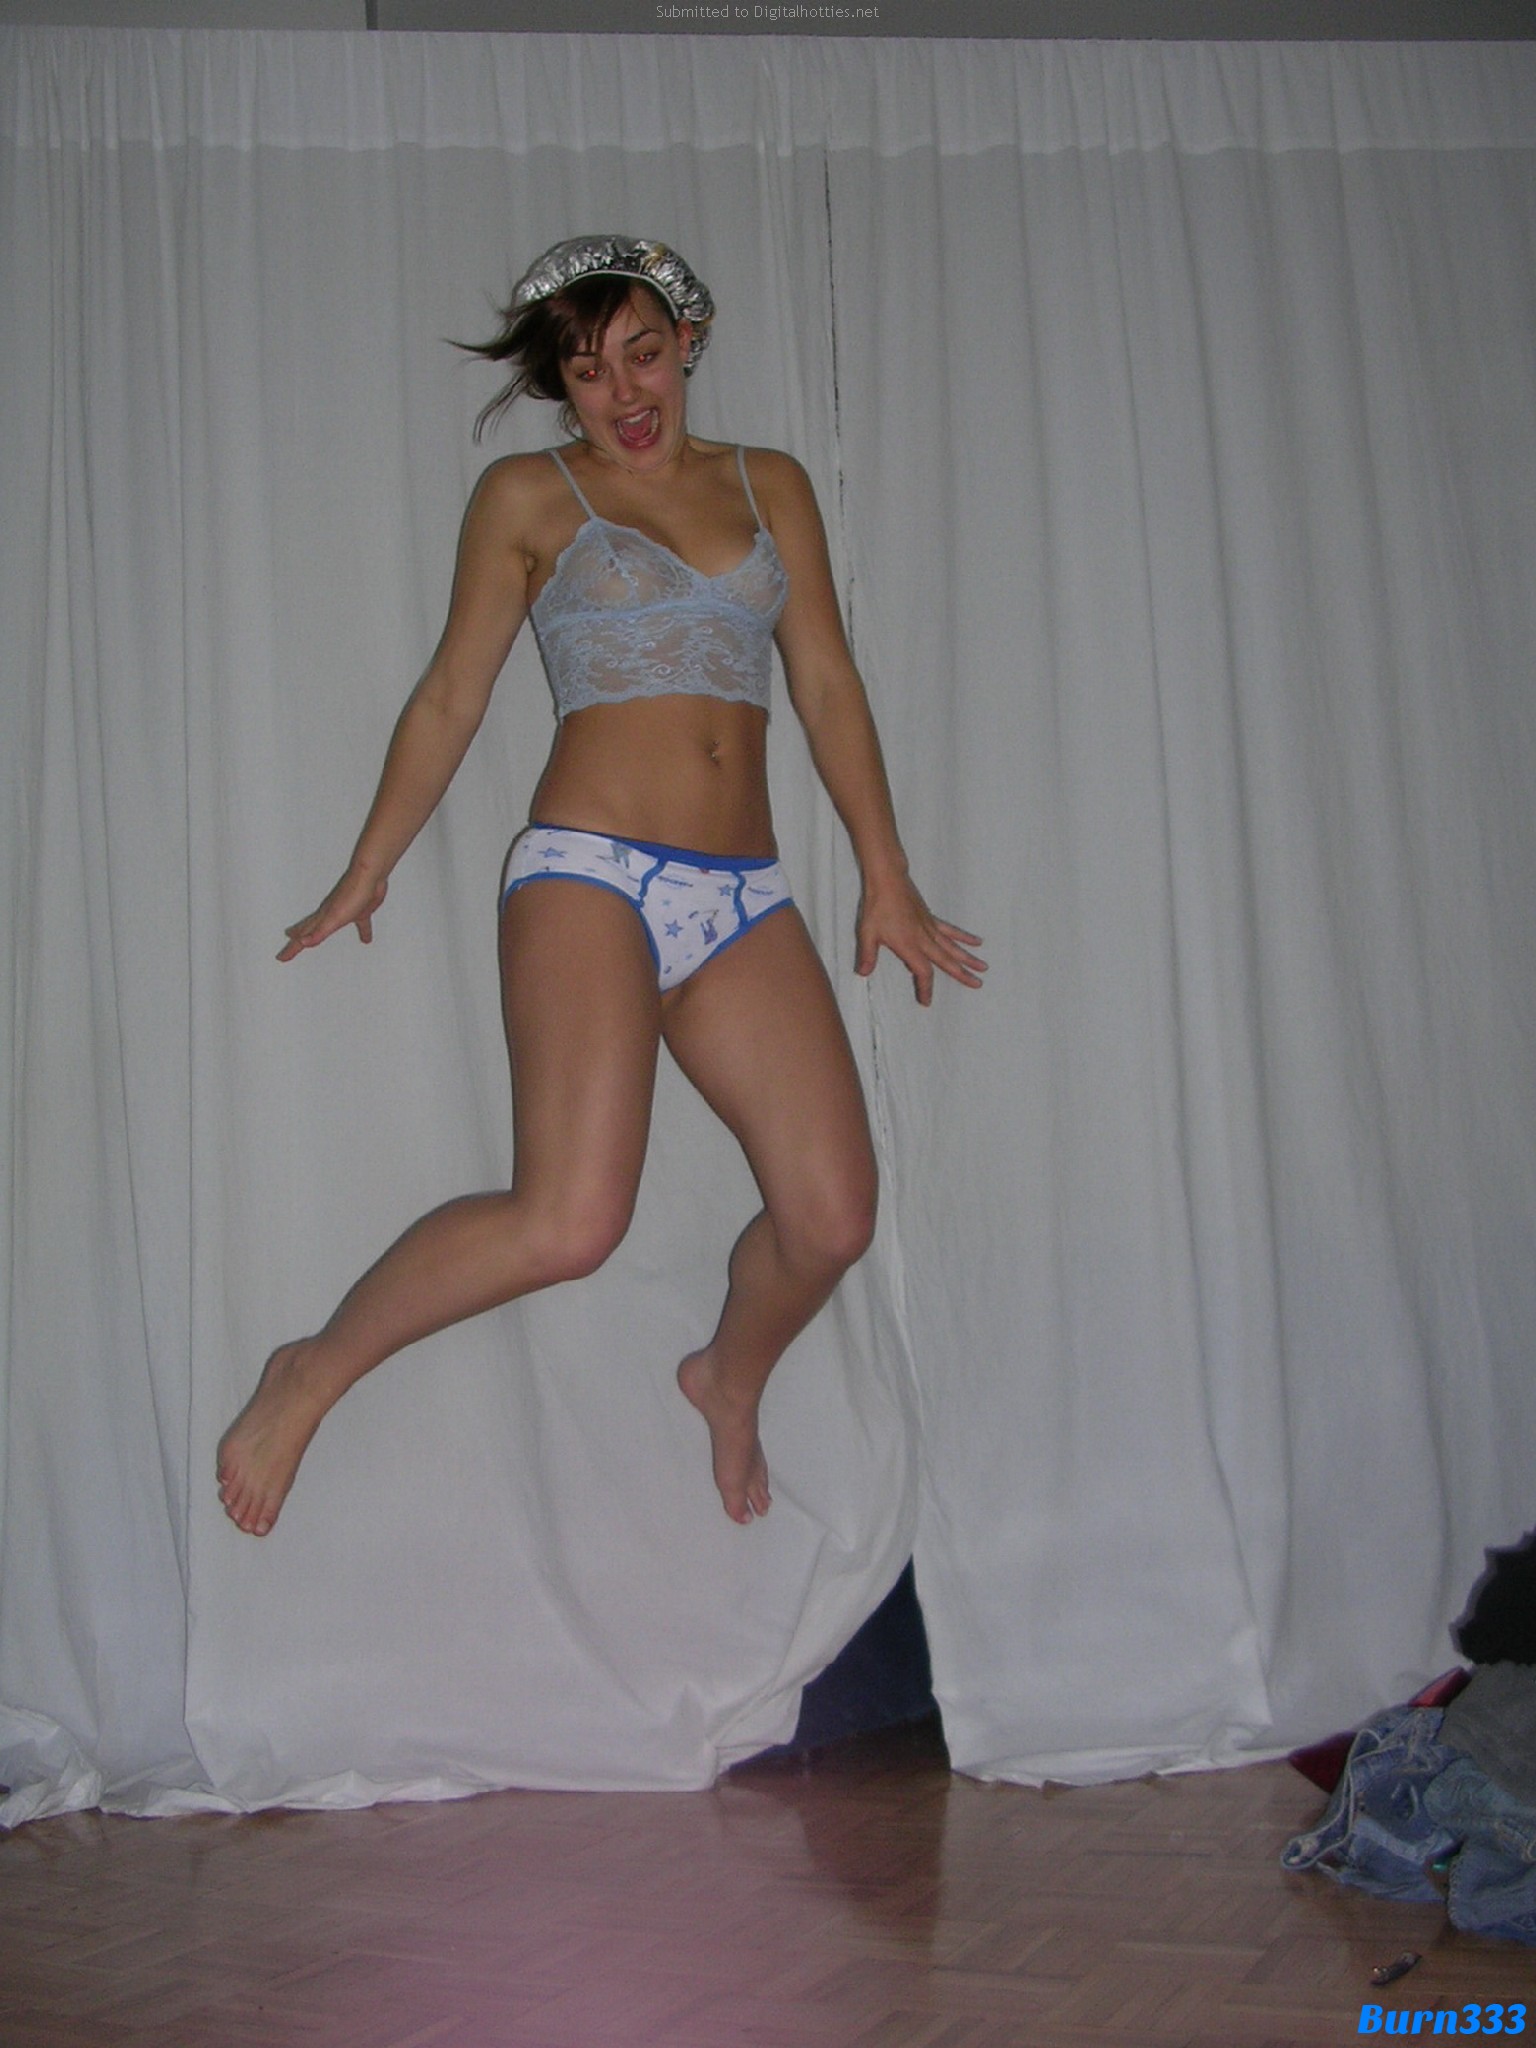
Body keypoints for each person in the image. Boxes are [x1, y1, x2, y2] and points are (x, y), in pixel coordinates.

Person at [216, 235, 985, 1538]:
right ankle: (313, 1369)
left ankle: (727, 1376)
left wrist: (886, 875)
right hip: (590, 872)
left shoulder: (771, 484)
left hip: (740, 895)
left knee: (832, 1217)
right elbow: (452, 694)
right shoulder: (528, 495)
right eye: (587, 371)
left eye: (642, 354)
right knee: (570, 1222)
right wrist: (369, 865)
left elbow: (826, 681)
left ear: (686, 343)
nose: (624, 392)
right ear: (559, 387)